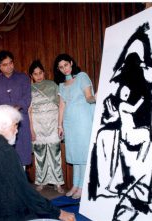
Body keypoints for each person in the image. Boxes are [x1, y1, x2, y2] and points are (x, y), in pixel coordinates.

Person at [0, 104, 76, 221]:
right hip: (4, 215)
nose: (17, 130)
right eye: (15, 125)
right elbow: (24, 191)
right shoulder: (5, 150)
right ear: (3, 126)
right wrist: (59, 213)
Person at [54, 53, 95, 199]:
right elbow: (61, 107)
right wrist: (60, 126)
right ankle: (76, 185)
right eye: (61, 67)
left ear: (71, 63)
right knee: (76, 155)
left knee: (83, 154)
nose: (64, 68)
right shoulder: (62, 85)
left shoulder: (82, 76)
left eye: (66, 65)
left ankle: (82, 187)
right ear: (58, 69)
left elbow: (89, 96)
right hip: (70, 123)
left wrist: (97, 97)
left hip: (83, 121)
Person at [0, 50, 32, 166]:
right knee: (6, 155)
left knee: (22, 153)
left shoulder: (23, 78)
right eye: (5, 64)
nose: (9, 66)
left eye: (11, 63)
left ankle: (21, 180)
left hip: (21, 121)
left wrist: (16, 108)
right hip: (4, 123)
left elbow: (27, 96)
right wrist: (5, 114)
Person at [28, 60, 64, 193]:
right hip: (38, 125)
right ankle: (41, 181)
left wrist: (60, 125)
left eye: (40, 73)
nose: (39, 76)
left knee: (55, 153)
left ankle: (58, 182)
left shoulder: (52, 85)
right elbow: (29, 110)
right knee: (40, 154)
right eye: (35, 74)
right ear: (31, 76)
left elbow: (60, 104)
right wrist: (31, 128)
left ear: (44, 72)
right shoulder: (29, 89)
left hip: (53, 123)